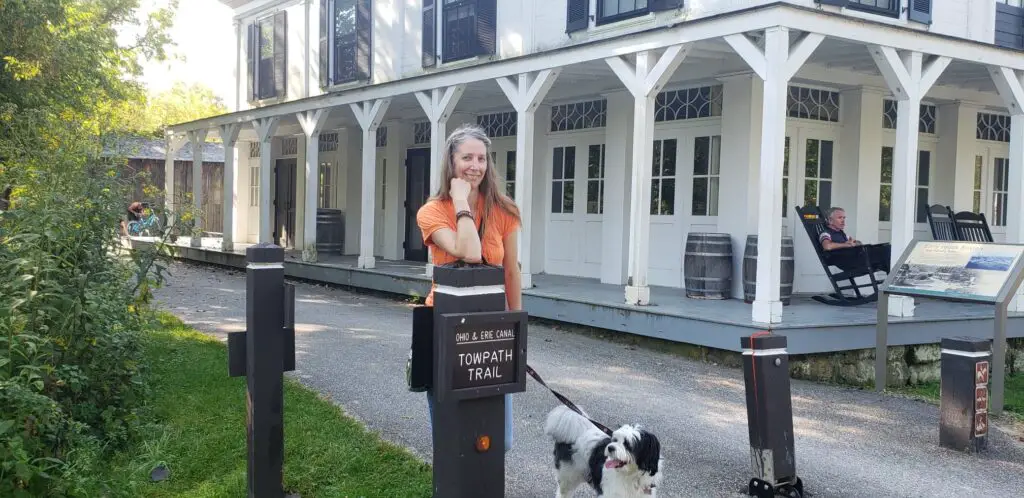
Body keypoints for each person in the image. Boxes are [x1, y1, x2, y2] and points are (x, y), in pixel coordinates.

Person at [416, 124, 523, 452]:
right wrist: (461, 200)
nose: (475, 165)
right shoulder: (432, 211)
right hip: (443, 325)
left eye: (481, 158)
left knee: (499, 440)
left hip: (491, 327)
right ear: (451, 161)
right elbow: (470, 252)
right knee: (451, 435)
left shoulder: (505, 211)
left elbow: (511, 271)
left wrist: (516, 326)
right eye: (467, 157)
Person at [818, 206, 890, 272]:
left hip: (855, 258)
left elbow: (856, 242)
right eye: (839, 218)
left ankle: (890, 275)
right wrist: (847, 245)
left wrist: (855, 243)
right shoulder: (825, 233)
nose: (843, 221)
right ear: (830, 220)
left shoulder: (841, 233)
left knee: (886, 251)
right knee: (886, 251)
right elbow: (827, 246)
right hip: (847, 261)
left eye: (844, 218)